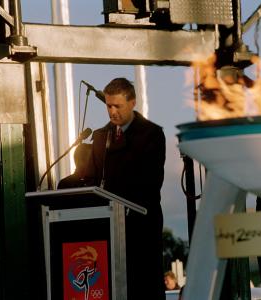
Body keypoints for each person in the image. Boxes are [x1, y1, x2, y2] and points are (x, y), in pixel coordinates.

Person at [86, 77, 166, 300]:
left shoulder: (151, 135)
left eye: (117, 106)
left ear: (133, 103)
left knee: (142, 287)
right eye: (108, 106)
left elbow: (150, 183)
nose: (112, 112)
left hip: (140, 226)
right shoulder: (101, 136)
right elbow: (92, 177)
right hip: (107, 225)